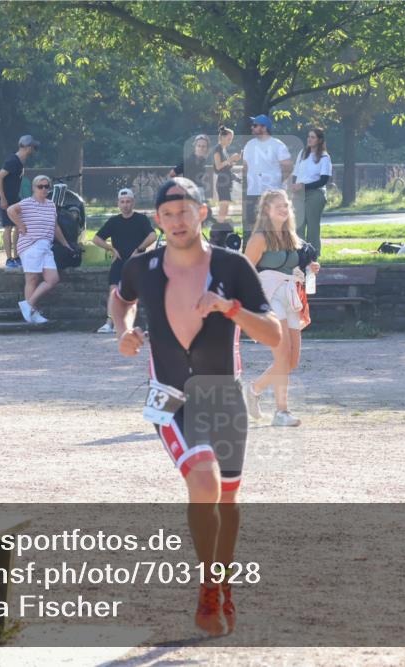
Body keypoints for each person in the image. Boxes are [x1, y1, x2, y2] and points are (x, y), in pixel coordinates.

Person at [110, 178, 281, 636]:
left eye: (184, 212)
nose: (176, 222)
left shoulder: (233, 265)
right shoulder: (143, 266)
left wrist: (229, 309)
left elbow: (274, 335)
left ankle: (220, 582)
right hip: (169, 395)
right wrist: (122, 330)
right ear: (158, 221)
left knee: (227, 496)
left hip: (222, 395)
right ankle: (208, 589)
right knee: (202, 478)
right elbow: (120, 299)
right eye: (167, 215)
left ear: (202, 213)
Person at [243, 189, 320, 427]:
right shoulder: (259, 238)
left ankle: (254, 390)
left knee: (292, 360)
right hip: (269, 297)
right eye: (279, 206)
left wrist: (310, 270)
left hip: (290, 295)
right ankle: (281, 411)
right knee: (282, 355)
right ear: (267, 210)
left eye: (286, 206)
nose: (284, 210)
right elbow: (244, 270)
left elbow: (295, 268)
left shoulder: (292, 237)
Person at [7, 174, 75, 324]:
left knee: (52, 279)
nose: (44, 189)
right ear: (34, 188)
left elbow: (55, 227)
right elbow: (11, 210)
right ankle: (33, 313)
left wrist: (65, 244)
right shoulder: (26, 203)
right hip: (30, 245)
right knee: (32, 279)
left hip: (46, 246)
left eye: (46, 186)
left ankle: (28, 305)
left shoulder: (51, 205)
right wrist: (20, 225)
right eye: (40, 186)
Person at [92, 188, 156, 333]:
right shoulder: (113, 221)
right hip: (119, 262)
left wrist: (139, 249)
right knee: (113, 290)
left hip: (137, 261)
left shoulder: (141, 219)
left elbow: (153, 236)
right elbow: (96, 239)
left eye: (128, 201)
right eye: (122, 202)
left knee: (144, 292)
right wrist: (111, 249)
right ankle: (110, 323)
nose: (125, 205)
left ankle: (149, 325)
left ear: (133, 202)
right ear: (118, 204)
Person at [241, 114, 293, 242]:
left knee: (272, 225)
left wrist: (278, 182)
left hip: (272, 193)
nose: (252, 128)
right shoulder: (249, 144)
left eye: (255, 125)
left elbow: (288, 166)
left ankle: (274, 252)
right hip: (253, 191)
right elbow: (245, 167)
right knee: (254, 224)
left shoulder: (277, 145)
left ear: (264, 128)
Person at [0, 135, 40, 269]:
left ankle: (17, 256)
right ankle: (9, 259)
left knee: (18, 226)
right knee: (8, 227)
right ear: (27, 148)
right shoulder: (12, 161)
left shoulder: (21, 162)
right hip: (5, 198)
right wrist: (3, 198)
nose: (33, 149)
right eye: (32, 147)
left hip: (14, 198)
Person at [292, 127, 332, 253]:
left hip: (315, 193)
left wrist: (304, 186)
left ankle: (313, 254)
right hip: (299, 193)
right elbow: (296, 173)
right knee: (298, 225)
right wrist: (294, 186)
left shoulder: (324, 157)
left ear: (319, 140)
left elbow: (323, 180)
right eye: (308, 136)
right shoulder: (303, 153)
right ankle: (299, 253)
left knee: (312, 226)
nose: (309, 139)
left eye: (313, 137)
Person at [212, 126, 241, 221]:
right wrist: (231, 159)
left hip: (226, 181)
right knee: (223, 209)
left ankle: (221, 226)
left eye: (231, 139)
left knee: (226, 208)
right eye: (229, 139)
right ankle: (219, 228)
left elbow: (225, 166)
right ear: (222, 138)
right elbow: (218, 166)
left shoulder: (224, 150)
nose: (230, 141)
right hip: (222, 182)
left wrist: (232, 162)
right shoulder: (218, 149)